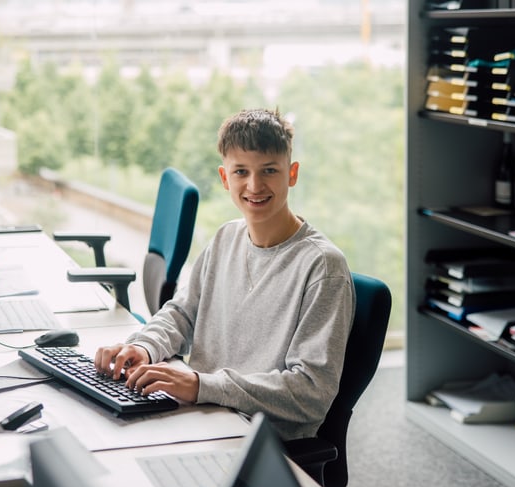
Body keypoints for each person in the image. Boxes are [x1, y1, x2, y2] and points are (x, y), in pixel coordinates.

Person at [95, 108, 355, 440]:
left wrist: (202, 386)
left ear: (292, 173)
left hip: (258, 440)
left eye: (269, 170)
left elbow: (310, 392)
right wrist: (145, 347)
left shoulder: (323, 267)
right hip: (203, 414)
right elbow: (181, 314)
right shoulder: (225, 238)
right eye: (241, 171)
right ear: (224, 178)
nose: (254, 185)